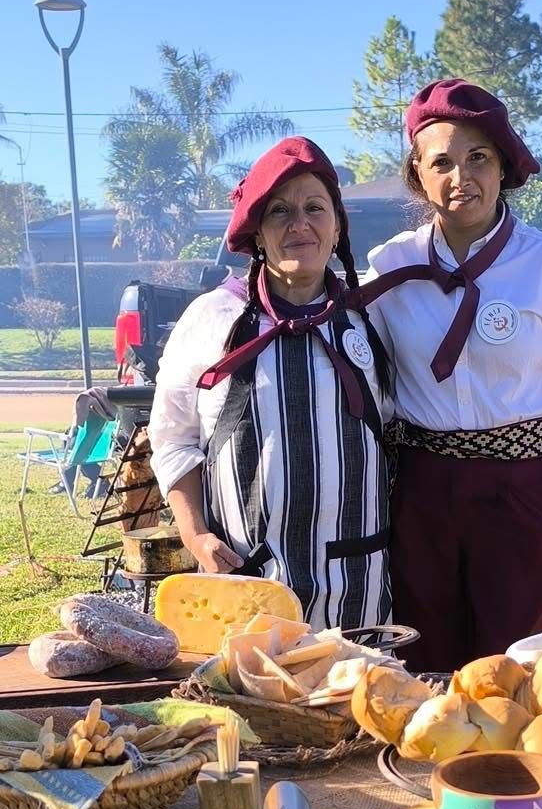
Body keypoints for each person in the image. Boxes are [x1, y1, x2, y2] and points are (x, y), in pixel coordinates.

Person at [363, 79, 542, 672]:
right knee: (426, 651)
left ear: (503, 167)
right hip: (423, 487)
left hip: (522, 486)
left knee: (519, 659)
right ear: (417, 173)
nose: (460, 177)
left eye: (478, 157)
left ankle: (520, 767)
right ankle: (431, 765)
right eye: (441, 161)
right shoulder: (388, 267)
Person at [149, 137, 392, 630]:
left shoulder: (373, 320)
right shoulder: (212, 318)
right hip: (244, 589)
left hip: (358, 586)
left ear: (338, 226)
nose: (299, 224)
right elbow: (172, 439)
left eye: (314, 208)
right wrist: (197, 537)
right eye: (279, 212)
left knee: (352, 702)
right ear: (257, 232)